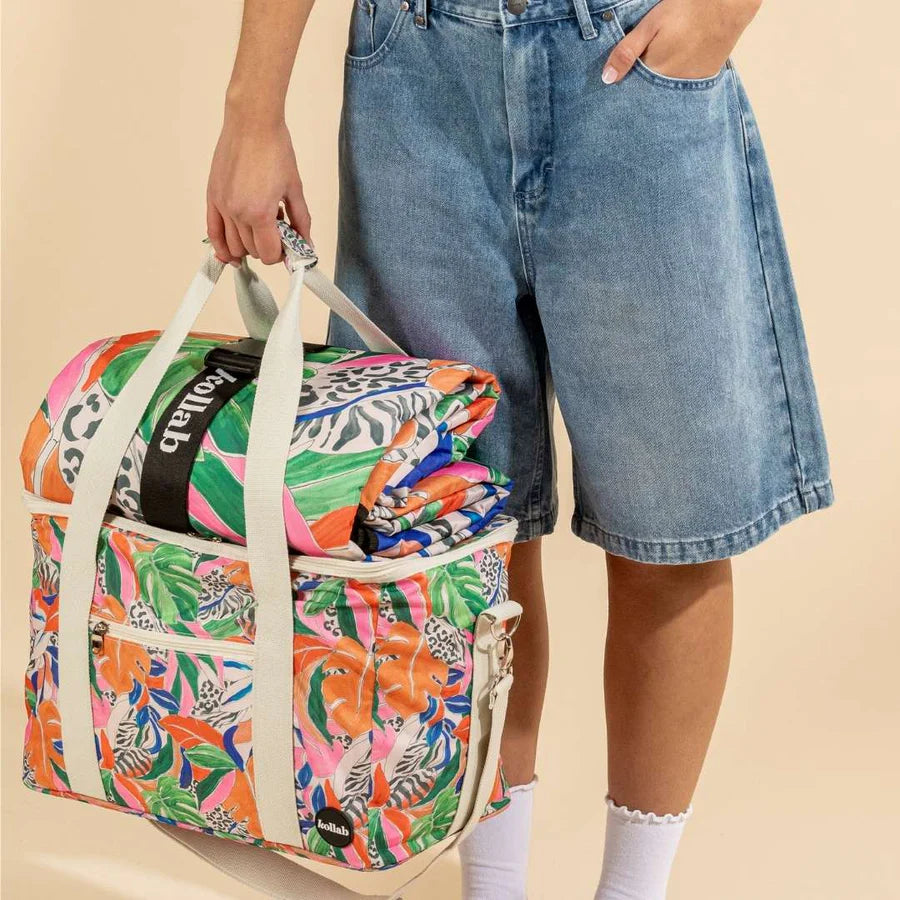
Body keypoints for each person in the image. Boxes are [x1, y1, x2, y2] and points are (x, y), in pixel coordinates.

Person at [206, 0, 832, 896]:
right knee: (456, 535)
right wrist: (250, 111)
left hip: (630, 63)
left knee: (672, 531)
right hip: (415, 78)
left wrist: (723, 12)